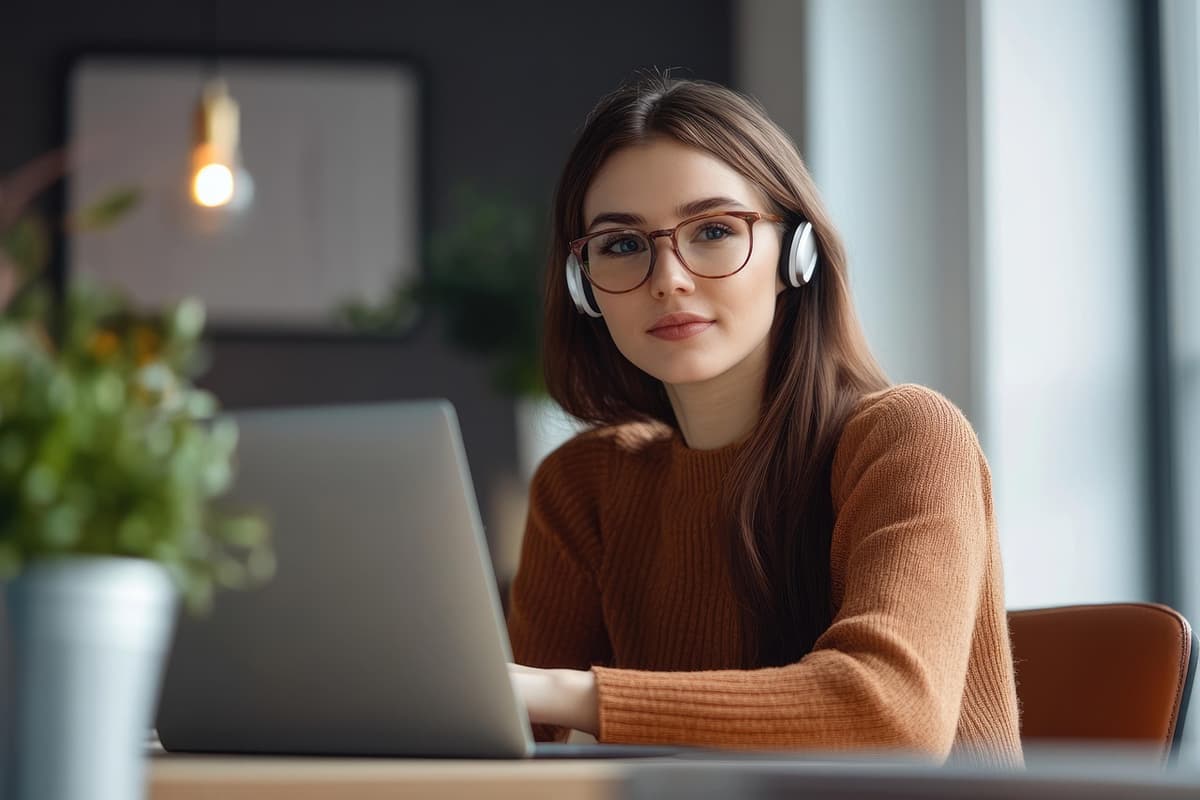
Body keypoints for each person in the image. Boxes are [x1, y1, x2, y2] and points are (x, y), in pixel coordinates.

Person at [505, 74, 1022, 768]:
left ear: (797, 253)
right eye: (622, 244)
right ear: (583, 285)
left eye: (714, 230)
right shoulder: (582, 486)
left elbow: (888, 712)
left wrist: (565, 694)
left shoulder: (909, 438)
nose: (669, 278)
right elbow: (505, 742)